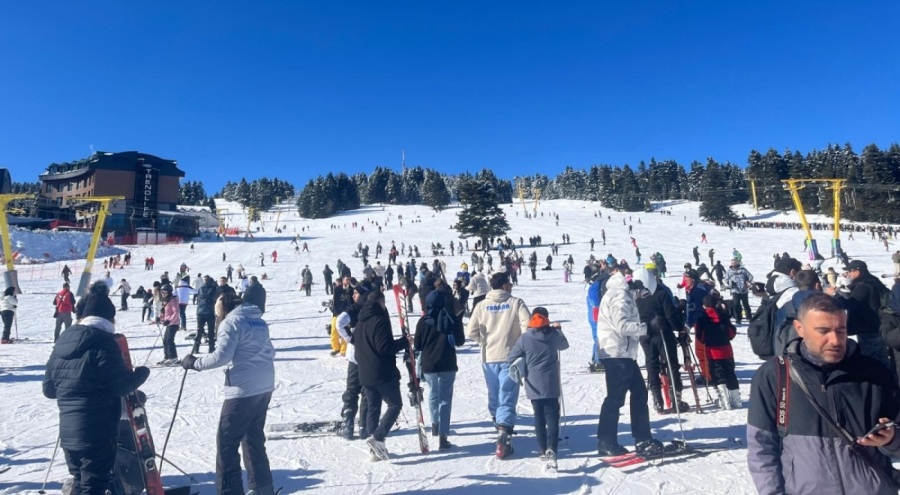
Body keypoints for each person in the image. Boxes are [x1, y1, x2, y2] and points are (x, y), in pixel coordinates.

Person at [748, 293, 900, 494]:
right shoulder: (774, 375)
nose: (835, 340)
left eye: (841, 330)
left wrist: (891, 439)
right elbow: (761, 448)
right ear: (799, 328)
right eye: (823, 331)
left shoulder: (874, 372)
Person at [43, 281, 150, 495]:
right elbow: (120, 386)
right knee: (94, 487)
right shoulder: (104, 342)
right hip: (97, 433)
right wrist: (142, 373)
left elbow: (49, 389)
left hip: (69, 434)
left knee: (81, 482)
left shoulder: (62, 342)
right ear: (108, 319)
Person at [181, 292, 276, 495]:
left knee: (227, 441)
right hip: (265, 385)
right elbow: (271, 351)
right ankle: (263, 487)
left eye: (217, 308)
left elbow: (222, 356)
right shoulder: (259, 322)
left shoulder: (231, 322)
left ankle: (229, 491)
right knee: (253, 437)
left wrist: (194, 363)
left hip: (242, 390)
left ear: (224, 306)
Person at [595, 267, 663, 457]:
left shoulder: (625, 294)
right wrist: (647, 327)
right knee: (615, 398)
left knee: (640, 393)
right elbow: (622, 326)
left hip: (623, 353)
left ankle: (643, 438)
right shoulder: (620, 295)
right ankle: (606, 441)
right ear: (638, 285)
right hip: (616, 353)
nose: (642, 296)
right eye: (644, 292)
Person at [465, 271, 531, 459]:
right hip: (511, 356)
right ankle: (504, 434)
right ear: (503, 286)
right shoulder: (515, 303)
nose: (511, 286)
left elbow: (471, 331)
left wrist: (483, 341)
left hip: (489, 357)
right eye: (509, 283)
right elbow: (528, 326)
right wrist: (520, 344)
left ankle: (500, 426)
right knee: (507, 395)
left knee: (495, 394)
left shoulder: (481, 305)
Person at [506, 307, 569, 469]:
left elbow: (511, 357)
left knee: (539, 417)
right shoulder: (553, 335)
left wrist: (524, 362)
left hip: (533, 384)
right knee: (552, 416)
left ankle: (542, 449)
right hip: (551, 383)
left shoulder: (525, 338)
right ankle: (552, 448)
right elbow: (564, 345)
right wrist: (559, 330)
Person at [353, 290, 407, 461]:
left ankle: (374, 450)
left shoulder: (361, 320)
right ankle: (377, 437)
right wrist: (404, 342)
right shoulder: (379, 320)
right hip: (381, 371)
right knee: (395, 404)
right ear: (381, 303)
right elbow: (384, 347)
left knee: (373, 407)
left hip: (365, 371)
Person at [414, 290, 466, 450]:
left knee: (433, 395)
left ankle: (435, 424)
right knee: (445, 399)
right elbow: (460, 341)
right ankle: (443, 436)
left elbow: (417, 345)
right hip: (448, 363)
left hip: (429, 364)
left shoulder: (423, 321)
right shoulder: (451, 319)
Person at [334, 285, 369, 439]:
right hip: (369, 356)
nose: (354, 296)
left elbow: (339, 322)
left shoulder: (355, 308)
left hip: (356, 356)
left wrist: (349, 338)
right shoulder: (374, 308)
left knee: (352, 390)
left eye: (356, 293)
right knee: (366, 391)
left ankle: (349, 425)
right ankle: (364, 426)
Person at [694, 295, 739, 409]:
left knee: (717, 375)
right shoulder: (724, 315)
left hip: (712, 351)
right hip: (727, 350)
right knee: (730, 373)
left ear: (704, 305)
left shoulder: (702, 318)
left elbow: (700, 337)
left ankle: (724, 401)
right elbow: (731, 332)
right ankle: (736, 400)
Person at [156, 284, 181, 365]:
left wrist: (169, 321)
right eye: (162, 292)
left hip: (174, 323)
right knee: (165, 341)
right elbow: (165, 314)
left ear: (169, 292)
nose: (163, 294)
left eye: (165, 292)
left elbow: (176, 312)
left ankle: (174, 358)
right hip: (169, 323)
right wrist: (160, 318)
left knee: (169, 340)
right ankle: (167, 357)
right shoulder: (166, 301)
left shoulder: (173, 300)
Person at [725, 260, 754, 324]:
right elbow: (726, 279)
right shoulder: (729, 271)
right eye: (732, 263)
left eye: (735, 263)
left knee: (746, 304)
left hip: (744, 290)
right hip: (735, 290)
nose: (733, 264)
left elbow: (750, 276)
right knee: (736, 304)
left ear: (737, 263)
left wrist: (748, 282)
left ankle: (749, 317)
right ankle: (738, 318)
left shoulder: (743, 270)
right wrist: (730, 283)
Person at [195, 275, 218, 354]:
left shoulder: (200, 289)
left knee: (199, 330)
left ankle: (196, 347)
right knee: (211, 331)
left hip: (200, 312)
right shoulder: (214, 288)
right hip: (210, 312)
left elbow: (198, 300)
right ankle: (211, 348)